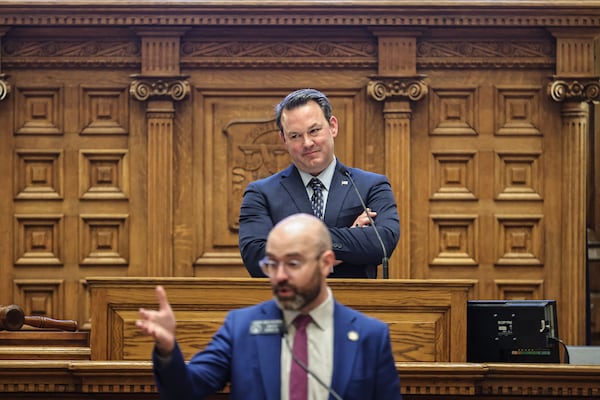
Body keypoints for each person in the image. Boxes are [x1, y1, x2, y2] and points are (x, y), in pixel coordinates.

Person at [137, 213, 402, 400]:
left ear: (326, 263)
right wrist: (167, 350)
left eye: (293, 263)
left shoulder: (370, 336)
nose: (280, 275)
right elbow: (186, 390)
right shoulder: (241, 328)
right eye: (272, 264)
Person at [239, 88, 400, 278]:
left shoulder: (370, 186)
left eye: (314, 131)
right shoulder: (261, 193)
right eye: (295, 136)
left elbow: (382, 242)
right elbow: (257, 258)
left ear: (333, 126)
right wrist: (350, 237)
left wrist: (293, 247)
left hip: (355, 302)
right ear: (284, 139)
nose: (307, 143)